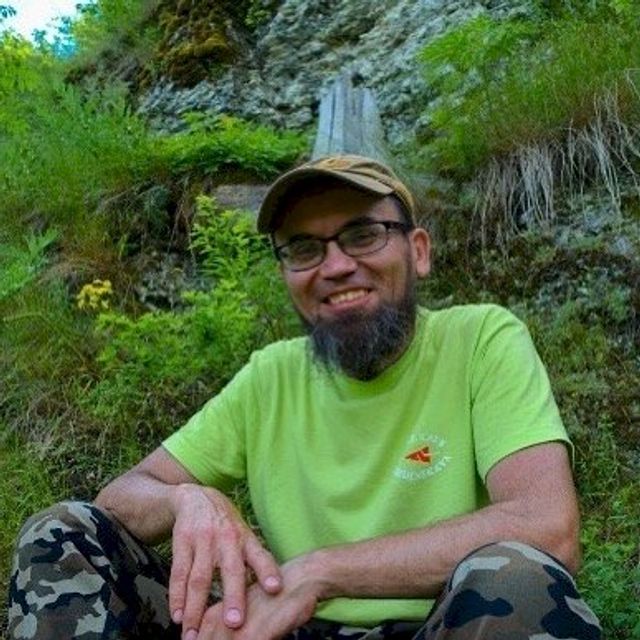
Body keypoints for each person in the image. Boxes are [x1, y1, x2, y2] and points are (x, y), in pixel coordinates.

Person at [8, 155, 602, 640]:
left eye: (363, 234)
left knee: (516, 576)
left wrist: (318, 573)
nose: (335, 266)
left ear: (418, 250)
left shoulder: (480, 340)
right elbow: (119, 499)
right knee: (64, 532)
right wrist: (188, 498)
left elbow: (548, 526)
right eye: (303, 247)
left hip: (443, 624)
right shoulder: (270, 377)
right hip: (286, 631)